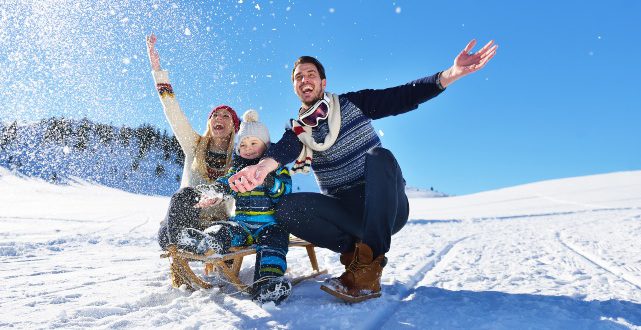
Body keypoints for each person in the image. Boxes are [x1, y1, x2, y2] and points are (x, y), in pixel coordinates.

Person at [227, 39, 498, 302]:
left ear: (323, 83)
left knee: (380, 157)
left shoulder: (352, 104)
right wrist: (262, 168)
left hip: (386, 206)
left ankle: (367, 271)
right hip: (346, 212)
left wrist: (450, 74)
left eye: (310, 74)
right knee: (286, 208)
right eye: (298, 77)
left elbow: (400, 96)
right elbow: (282, 150)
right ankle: (359, 257)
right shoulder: (298, 130)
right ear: (295, 87)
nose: (304, 80)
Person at [182, 109, 294, 304]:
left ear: (266, 145)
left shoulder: (276, 169)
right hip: (241, 224)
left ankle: (268, 281)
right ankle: (206, 242)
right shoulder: (237, 170)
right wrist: (214, 192)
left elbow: (284, 193)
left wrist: (268, 182)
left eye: (253, 143)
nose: (248, 148)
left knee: (274, 244)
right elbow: (225, 184)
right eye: (243, 144)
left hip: (268, 225)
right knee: (225, 229)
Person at [145, 34, 239, 253]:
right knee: (182, 199)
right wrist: (158, 72)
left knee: (220, 232)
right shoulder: (194, 144)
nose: (219, 118)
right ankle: (183, 245)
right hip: (187, 222)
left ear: (234, 126)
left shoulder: (238, 155)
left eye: (226, 116)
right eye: (215, 115)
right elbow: (173, 112)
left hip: (219, 224)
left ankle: (199, 247)